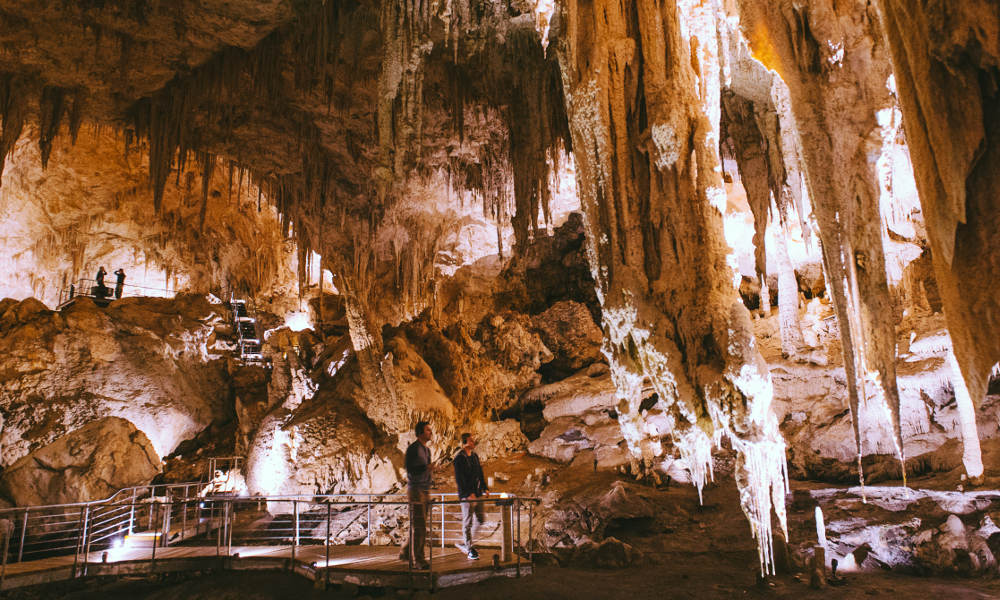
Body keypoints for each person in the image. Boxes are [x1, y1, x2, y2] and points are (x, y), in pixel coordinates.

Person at [400, 420, 433, 569]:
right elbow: (410, 468)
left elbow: (426, 468)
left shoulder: (427, 450)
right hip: (416, 490)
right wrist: (425, 467)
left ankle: (406, 552)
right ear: (420, 432)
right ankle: (418, 559)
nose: (430, 432)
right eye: (427, 430)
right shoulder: (414, 449)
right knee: (419, 525)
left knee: (419, 523)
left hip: (425, 489)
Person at [453, 432, 488, 559]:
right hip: (467, 496)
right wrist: (467, 494)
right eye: (470, 440)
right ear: (464, 443)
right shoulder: (459, 459)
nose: (473, 442)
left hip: (477, 493)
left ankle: (467, 543)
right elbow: (460, 479)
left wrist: (485, 488)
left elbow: (480, 473)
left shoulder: (474, 457)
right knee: (467, 522)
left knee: (480, 519)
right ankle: (469, 549)